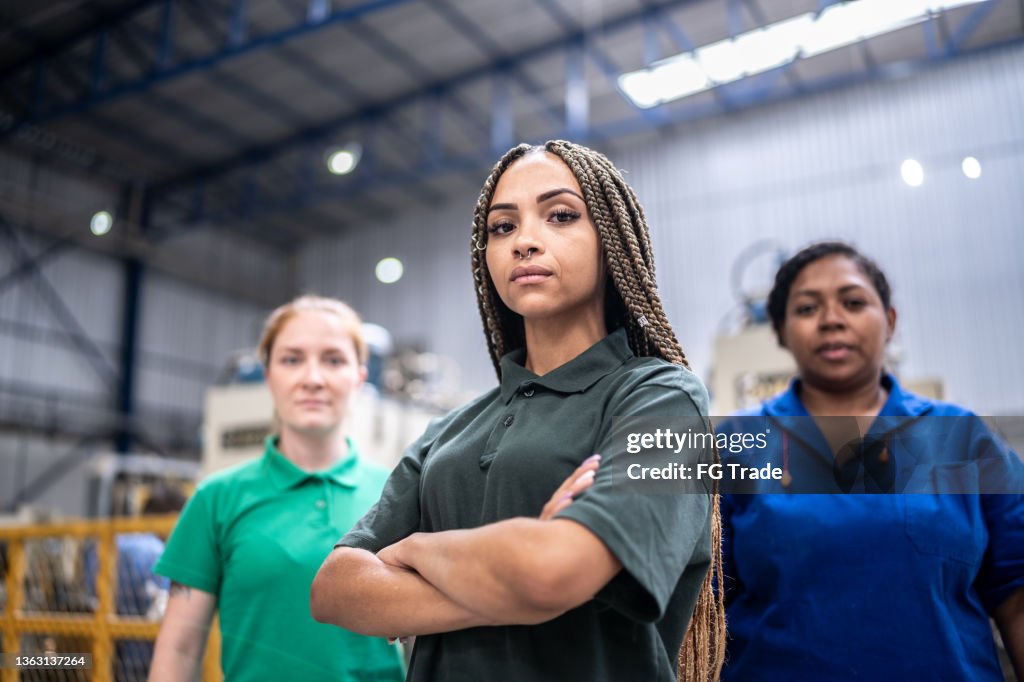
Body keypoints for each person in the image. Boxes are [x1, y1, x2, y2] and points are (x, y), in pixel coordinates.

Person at [311, 140, 725, 681]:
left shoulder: (665, 399)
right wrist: (517, 583)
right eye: (503, 227)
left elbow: (555, 572)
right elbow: (334, 589)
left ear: (612, 241)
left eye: (561, 215)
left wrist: (415, 552)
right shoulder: (450, 432)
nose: (524, 241)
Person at [716, 242, 1024, 681]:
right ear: (780, 331)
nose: (832, 319)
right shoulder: (736, 443)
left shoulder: (963, 438)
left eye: (854, 302)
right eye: (807, 308)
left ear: (890, 320)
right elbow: (701, 607)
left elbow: (1017, 593)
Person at [149, 296, 405, 682]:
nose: (312, 378)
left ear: (359, 376)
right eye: (292, 359)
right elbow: (179, 648)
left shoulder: (399, 493)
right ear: (268, 375)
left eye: (334, 360)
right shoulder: (216, 499)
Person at [84, 483, 186, 681]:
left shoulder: (104, 546)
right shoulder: (156, 554)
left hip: (103, 657)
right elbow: (162, 611)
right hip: (145, 660)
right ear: (171, 517)